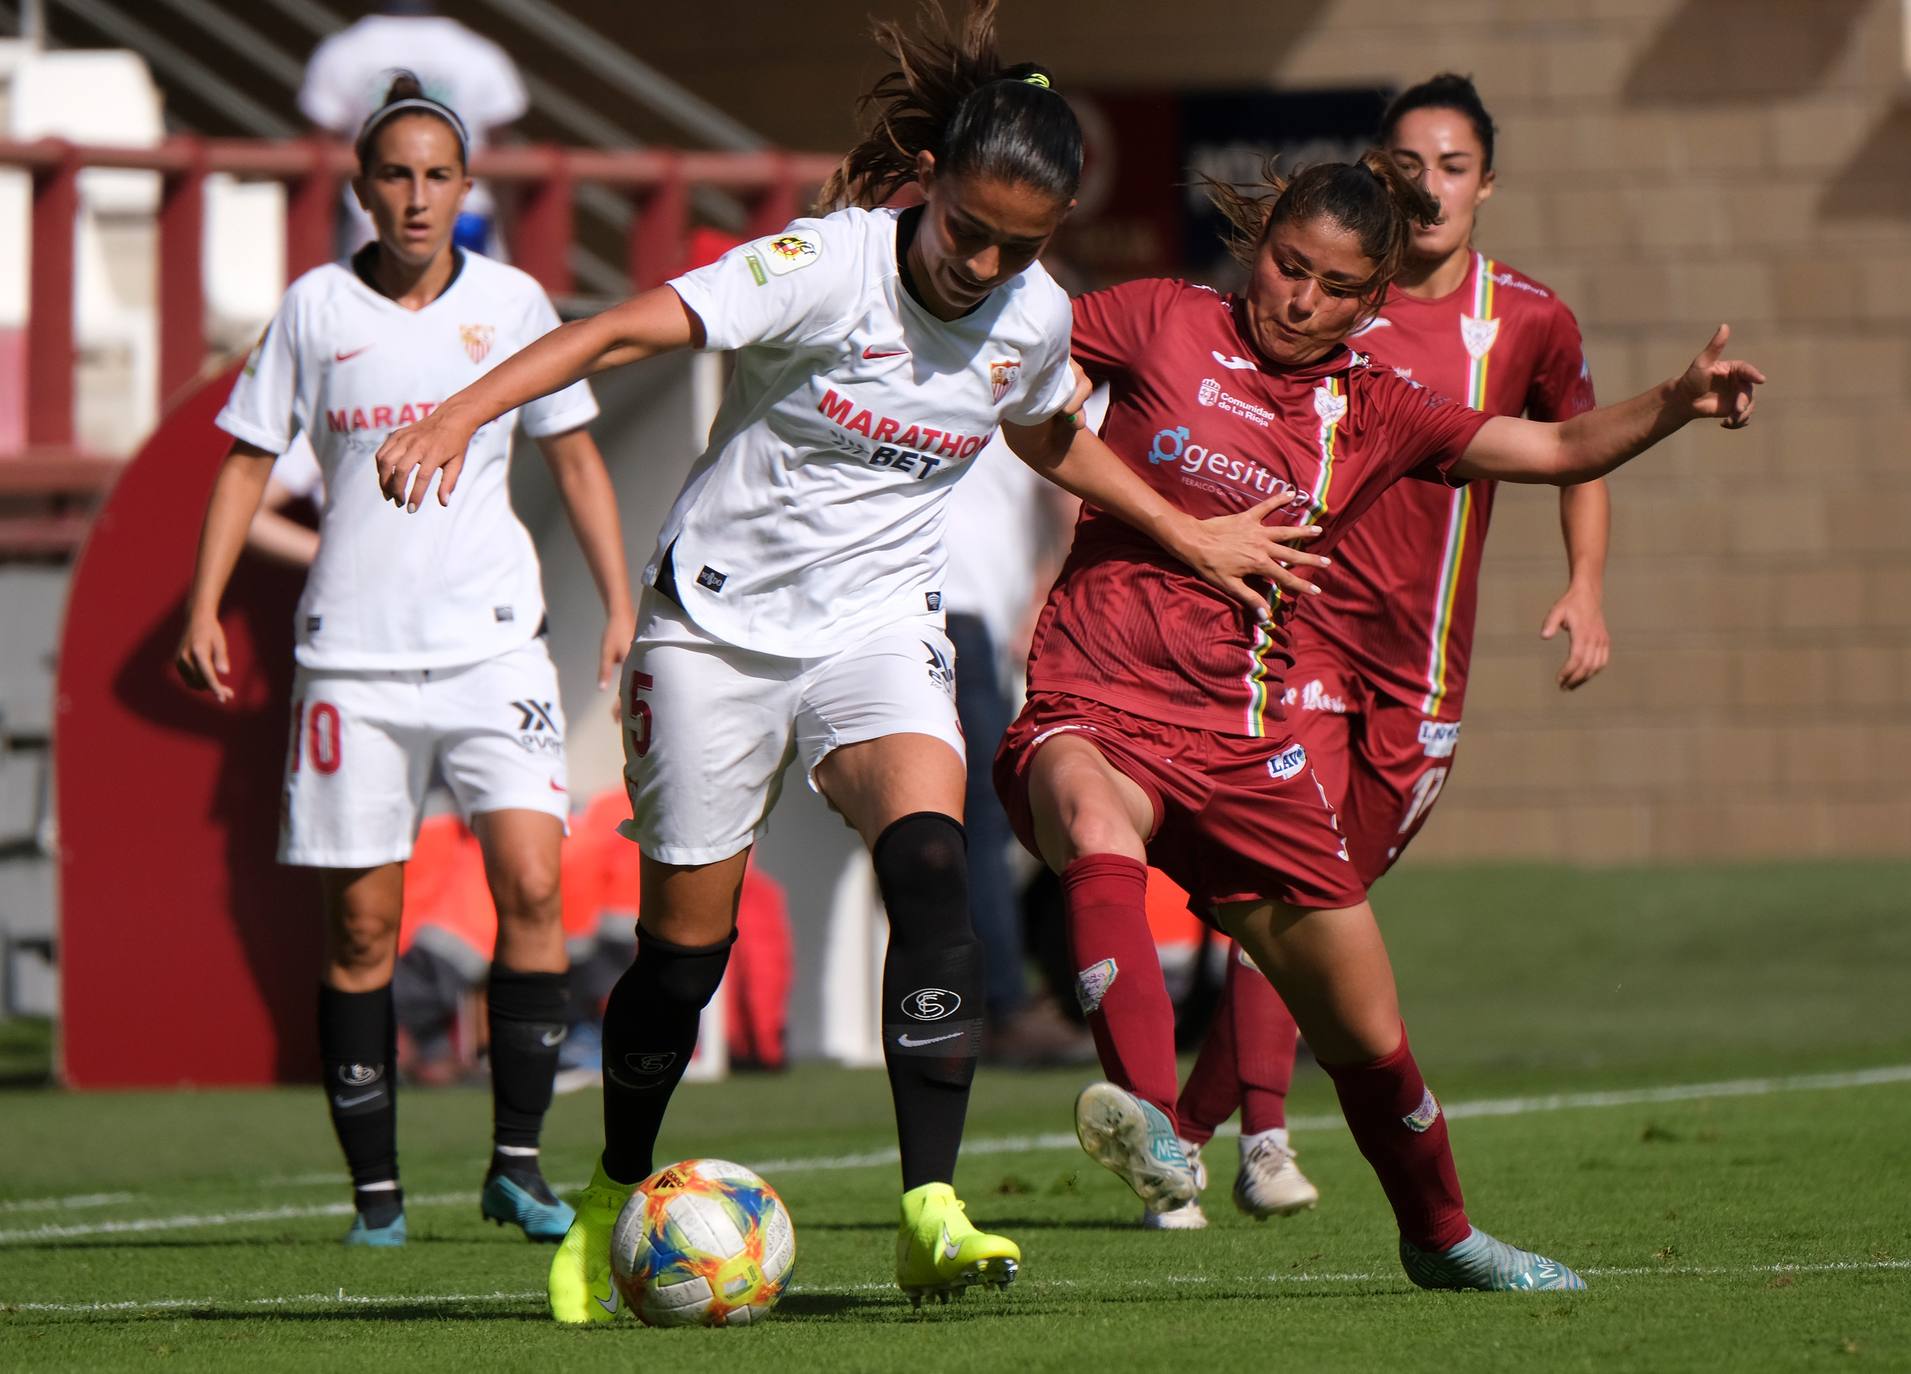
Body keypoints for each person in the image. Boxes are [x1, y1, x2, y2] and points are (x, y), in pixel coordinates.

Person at [371, 0, 1324, 1317]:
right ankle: (609, 1192)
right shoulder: (820, 266)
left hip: (875, 629)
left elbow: (1045, 432)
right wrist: (455, 412)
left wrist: (1180, 529)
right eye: (965, 231)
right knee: (679, 963)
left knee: (932, 868)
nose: (979, 263)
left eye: (1014, 247)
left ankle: (927, 1207)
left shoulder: (1029, 312)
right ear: (924, 186)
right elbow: (613, 332)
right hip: (713, 631)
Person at [993, 151, 1762, 1291]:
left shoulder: (1378, 410)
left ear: (1372, 298)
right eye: (1285, 265)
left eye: (1330, 285)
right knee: (1095, 828)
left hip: (1242, 742)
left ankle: (1444, 1239)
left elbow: (1552, 448)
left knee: (1367, 1037)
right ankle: (1156, 1128)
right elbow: (1028, 410)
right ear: (1261, 249)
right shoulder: (1160, 317)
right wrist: (1184, 531)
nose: (1296, 297)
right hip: (1093, 693)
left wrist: (1676, 406)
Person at [175, 74, 635, 1248]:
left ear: (469, 190)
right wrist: (204, 604)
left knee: (533, 887)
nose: (418, 196)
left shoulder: (520, 301)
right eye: (397, 174)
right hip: (354, 663)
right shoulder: (316, 310)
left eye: (439, 176)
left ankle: (516, 1166)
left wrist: (622, 602)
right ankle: (376, 1198)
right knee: (361, 930)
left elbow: (576, 459)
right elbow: (243, 463)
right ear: (363, 188)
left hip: (495, 649)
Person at [1167, 73, 1613, 1229]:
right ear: (1378, 174)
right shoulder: (1325, 308)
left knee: (1328, 906)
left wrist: (1588, 585)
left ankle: (1190, 1129)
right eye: (1408, 164)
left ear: (1487, 184)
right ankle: (1254, 1139)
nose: (1429, 187)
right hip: (1304, 634)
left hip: (1425, 669)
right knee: (1295, 884)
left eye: (1453, 165)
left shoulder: (1528, 319)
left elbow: (1572, 445)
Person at [297, 1, 528, 256]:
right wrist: (518, 255)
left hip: (377, 234)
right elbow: (504, 166)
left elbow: (319, 168)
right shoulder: (481, 55)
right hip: (463, 231)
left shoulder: (342, 52)